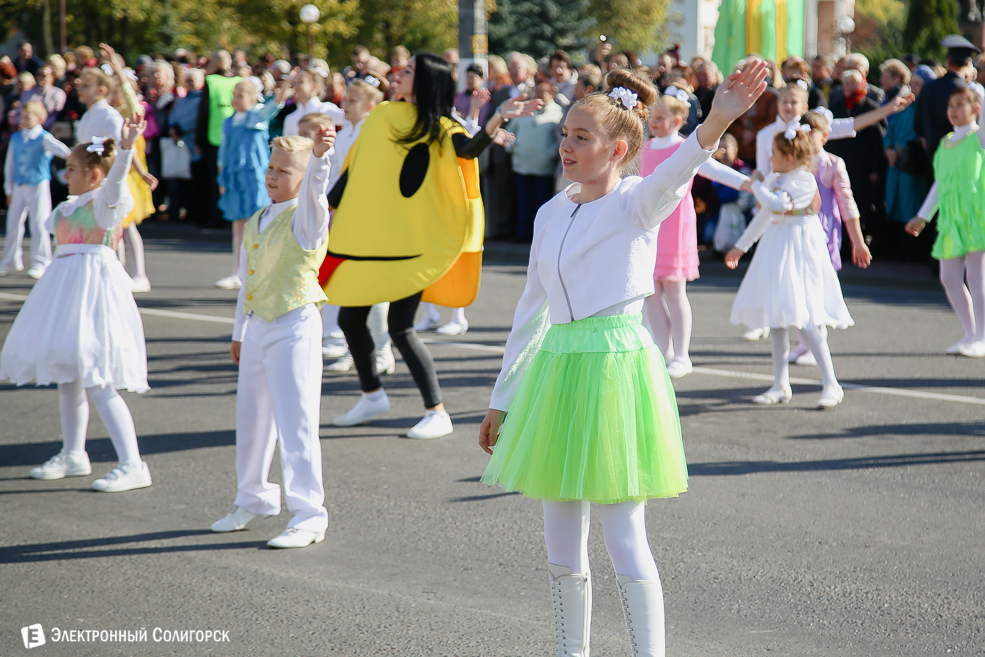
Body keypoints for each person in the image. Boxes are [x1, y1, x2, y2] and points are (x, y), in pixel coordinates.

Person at [478, 62, 769, 657]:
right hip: (556, 370)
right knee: (559, 532)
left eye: (581, 137)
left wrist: (717, 119)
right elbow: (530, 311)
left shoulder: (639, 202)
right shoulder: (550, 211)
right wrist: (502, 398)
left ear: (617, 149)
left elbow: (681, 165)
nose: (566, 146)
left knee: (623, 533)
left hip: (614, 367)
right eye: (565, 133)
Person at [326, 52, 539, 439]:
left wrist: (500, 114)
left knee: (400, 327)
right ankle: (372, 394)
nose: (398, 75)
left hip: (415, 244)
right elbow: (357, 170)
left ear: (424, 80)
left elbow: (470, 150)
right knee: (349, 318)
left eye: (407, 72)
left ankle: (437, 411)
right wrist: (323, 205)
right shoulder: (383, 116)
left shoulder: (441, 125)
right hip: (370, 239)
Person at [1, 117, 154, 492]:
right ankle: (74, 453)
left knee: (97, 376)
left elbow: (117, 181)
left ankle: (133, 463)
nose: (64, 175)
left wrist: (128, 147)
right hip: (65, 293)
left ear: (95, 175)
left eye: (71, 169)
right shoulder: (68, 208)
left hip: (95, 294)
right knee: (68, 375)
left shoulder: (106, 205)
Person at [211, 130, 336, 549]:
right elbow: (248, 281)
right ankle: (253, 496)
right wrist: (239, 331)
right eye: (270, 167)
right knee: (252, 420)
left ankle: (309, 513)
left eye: (284, 170)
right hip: (260, 325)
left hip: (294, 324)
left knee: (295, 421)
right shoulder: (257, 220)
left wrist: (319, 161)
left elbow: (317, 199)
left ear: (303, 178)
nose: (272, 176)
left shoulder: (306, 220)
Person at [725, 125, 853, 408]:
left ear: (791, 158)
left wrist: (755, 183)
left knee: (805, 318)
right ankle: (780, 384)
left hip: (800, 249)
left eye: (775, 154)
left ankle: (832, 383)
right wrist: (741, 245)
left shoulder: (804, 180)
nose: (770, 159)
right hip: (777, 246)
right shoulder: (776, 177)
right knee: (777, 317)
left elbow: (775, 204)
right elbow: (765, 215)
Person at [641, 87, 751, 378]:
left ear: (678, 121)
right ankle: (661, 352)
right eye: (652, 116)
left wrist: (745, 183)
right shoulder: (644, 148)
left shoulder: (685, 146)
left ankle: (682, 354)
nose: (653, 122)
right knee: (650, 292)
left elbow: (713, 169)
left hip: (676, 223)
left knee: (675, 289)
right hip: (648, 225)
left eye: (660, 117)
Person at [317, 77, 398, 374]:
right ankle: (360, 349)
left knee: (371, 289)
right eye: (345, 99)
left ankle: (381, 350)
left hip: (365, 220)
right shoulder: (346, 131)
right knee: (350, 288)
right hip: (341, 215)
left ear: (370, 107)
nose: (344, 104)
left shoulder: (370, 132)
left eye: (352, 101)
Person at [785, 109, 872, 366]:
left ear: (824, 137)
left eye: (812, 130)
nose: (806, 134)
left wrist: (858, 241)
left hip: (822, 238)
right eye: (803, 130)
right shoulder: (791, 163)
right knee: (796, 290)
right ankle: (804, 342)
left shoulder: (833, 164)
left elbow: (847, 203)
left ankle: (816, 343)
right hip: (793, 235)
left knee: (816, 291)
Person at [906, 86, 985, 358]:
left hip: (977, 217)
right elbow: (940, 184)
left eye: (960, 104)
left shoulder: (980, 137)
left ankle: (983, 337)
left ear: (976, 108)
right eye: (950, 104)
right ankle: (970, 333)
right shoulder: (945, 142)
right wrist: (923, 216)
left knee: (977, 277)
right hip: (952, 219)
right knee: (949, 277)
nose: (953, 110)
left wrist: (977, 88)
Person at [214, 79, 288, 290]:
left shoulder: (256, 116)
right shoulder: (228, 122)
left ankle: (262, 271)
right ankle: (237, 272)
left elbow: (276, 104)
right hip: (234, 177)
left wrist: (287, 84)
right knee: (238, 224)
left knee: (259, 222)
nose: (235, 100)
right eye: (234, 95)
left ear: (253, 98)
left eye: (241, 95)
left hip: (255, 176)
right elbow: (223, 152)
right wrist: (222, 177)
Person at [0, 101, 71, 278]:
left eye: (28, 116)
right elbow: (10, 165)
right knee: (13, 222)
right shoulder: (16, 137)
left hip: (38, 184)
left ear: (40, 119)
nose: (23, 119)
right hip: (19, 185)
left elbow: (63, 151)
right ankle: (10, 260)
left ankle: (41, 261)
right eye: (22, 116)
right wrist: (8, 189)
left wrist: (73, 159)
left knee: (39, 223)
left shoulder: (44, 137)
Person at [506, 77, 563, 242]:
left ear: (551, 94)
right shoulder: (523, 110)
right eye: (537, 92)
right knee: (523, 201)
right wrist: (511, 147)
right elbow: (509, 131)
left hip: (544, 167)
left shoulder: (557, 112)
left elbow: (561, 137)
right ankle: (523, 233)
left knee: (542, 203)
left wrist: (551, 153)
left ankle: (540, 236)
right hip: (521, 165)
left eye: (544, 92)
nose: (540, 95)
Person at [915, 36, 981, 165]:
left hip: (932, 155)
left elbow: (918, 124)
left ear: (948, 60)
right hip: (963, 154)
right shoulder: (967, 91)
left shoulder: (928, 87)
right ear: (968, 64)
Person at [195, 49, 241, 227]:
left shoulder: (211, 81)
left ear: (219, 63)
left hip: (214, 139)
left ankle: (216, 218)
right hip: (235, 140)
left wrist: (199, 140)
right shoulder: (238, 81)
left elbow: (203, 113)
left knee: (215, 181)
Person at [281, 68, 344, 137]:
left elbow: (352, 120)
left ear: (315, 87)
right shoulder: (290, 118)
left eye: (301, 82)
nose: (296, 86)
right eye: (294, 82)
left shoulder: (326, 109)